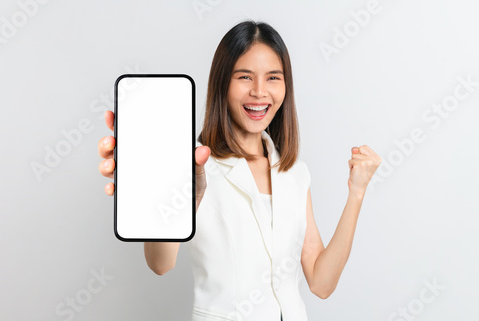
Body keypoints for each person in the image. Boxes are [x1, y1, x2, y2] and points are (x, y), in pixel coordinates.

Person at [98, 20, 381, 321]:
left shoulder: (295, 172)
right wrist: (181, 196)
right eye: (245, 76)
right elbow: (160, 263)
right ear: (223, 83)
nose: (260, 92)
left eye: (273, 77)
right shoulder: (193, 165)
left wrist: (357, 192)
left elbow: (321, 283)